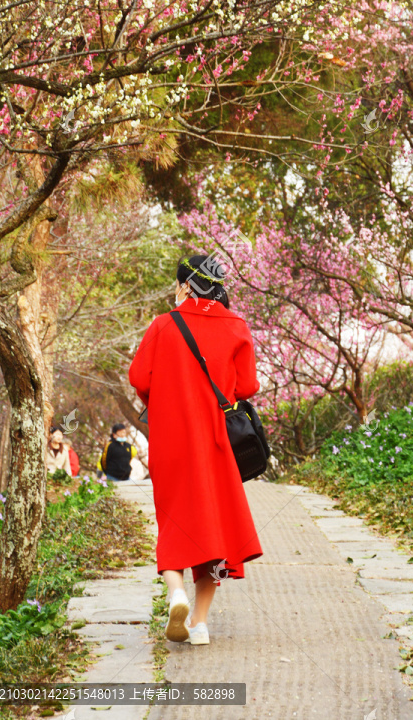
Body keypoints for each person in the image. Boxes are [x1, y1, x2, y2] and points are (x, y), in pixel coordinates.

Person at [128, 254, 262, 647]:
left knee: (175, 521)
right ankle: (200, 624)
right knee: (216, 530)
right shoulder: (236, 325)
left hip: (172, 442)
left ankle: (176, 593)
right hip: (217, 443)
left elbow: (138, 377)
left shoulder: (163, 325)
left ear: (186, 285)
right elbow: (247, 387)